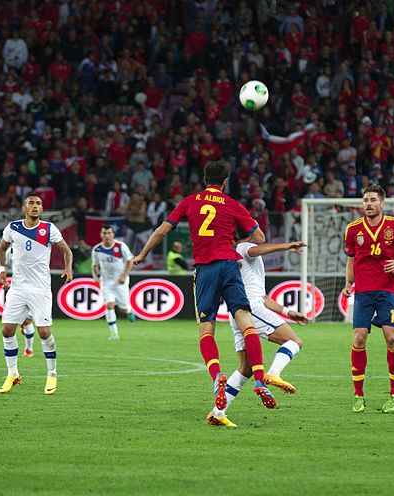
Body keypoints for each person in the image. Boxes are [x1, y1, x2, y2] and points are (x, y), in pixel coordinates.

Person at [132, 160, 275, 427]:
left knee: (206, 329)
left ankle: (217, 376)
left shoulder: (190, 201)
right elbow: (260, 239)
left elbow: (162, 230)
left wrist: (142, 254)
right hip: (230, 267)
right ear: (224, 182)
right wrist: (237, 240)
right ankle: (258, 379)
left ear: (204, 179)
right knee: (246, 322)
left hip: (205, 269)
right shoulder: (233, 204)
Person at [212, 231, 310, 425]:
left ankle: (217, 413)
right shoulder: (244, 248)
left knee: (246, 368)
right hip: (250, 309)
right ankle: (273, 373)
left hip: (242, 309)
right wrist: (285, 246)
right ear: (249, 233)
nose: (261, 231)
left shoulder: (248, 259)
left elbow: (263, 297)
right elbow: (257, 250)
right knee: (294, 341)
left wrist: (288, 312)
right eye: (256, 228)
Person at [342, 185, 394, 414]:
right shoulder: (353, 230)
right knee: (359, 338)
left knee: (392, 339)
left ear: (382, 204)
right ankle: (358, 395)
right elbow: (351, 261)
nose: (368, 204)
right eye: (365, 200)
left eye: (373, 200)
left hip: (388, 291)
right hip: (363, 292)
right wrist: (348, 284)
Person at [0, 193, 73, 395]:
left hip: (40, 289)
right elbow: (2, 248)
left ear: (42, 208)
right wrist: (2, 271)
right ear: (24, 208)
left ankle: (52, 374)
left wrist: (68, 269)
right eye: (31, 203)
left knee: (44, 333)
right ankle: (13, 374)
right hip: (18, 288)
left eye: (38, 203)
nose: (35, 206)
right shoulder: (13, 227)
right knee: (7, 330)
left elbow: (67, 250)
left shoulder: (48, 228)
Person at [91, 224, 135, 341]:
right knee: (109, 305)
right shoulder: (97, 249)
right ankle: (114, 333)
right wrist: (95, 276)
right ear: (101, 235)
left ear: (113, 235)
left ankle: (129, 311)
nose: (107, 236)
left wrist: (124, 276)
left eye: (109, 233)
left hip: (120, 281)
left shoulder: (121, 246)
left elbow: (130, 261)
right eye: (104, 233)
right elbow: (94, 265)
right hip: (106, 282)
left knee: (123, 309)